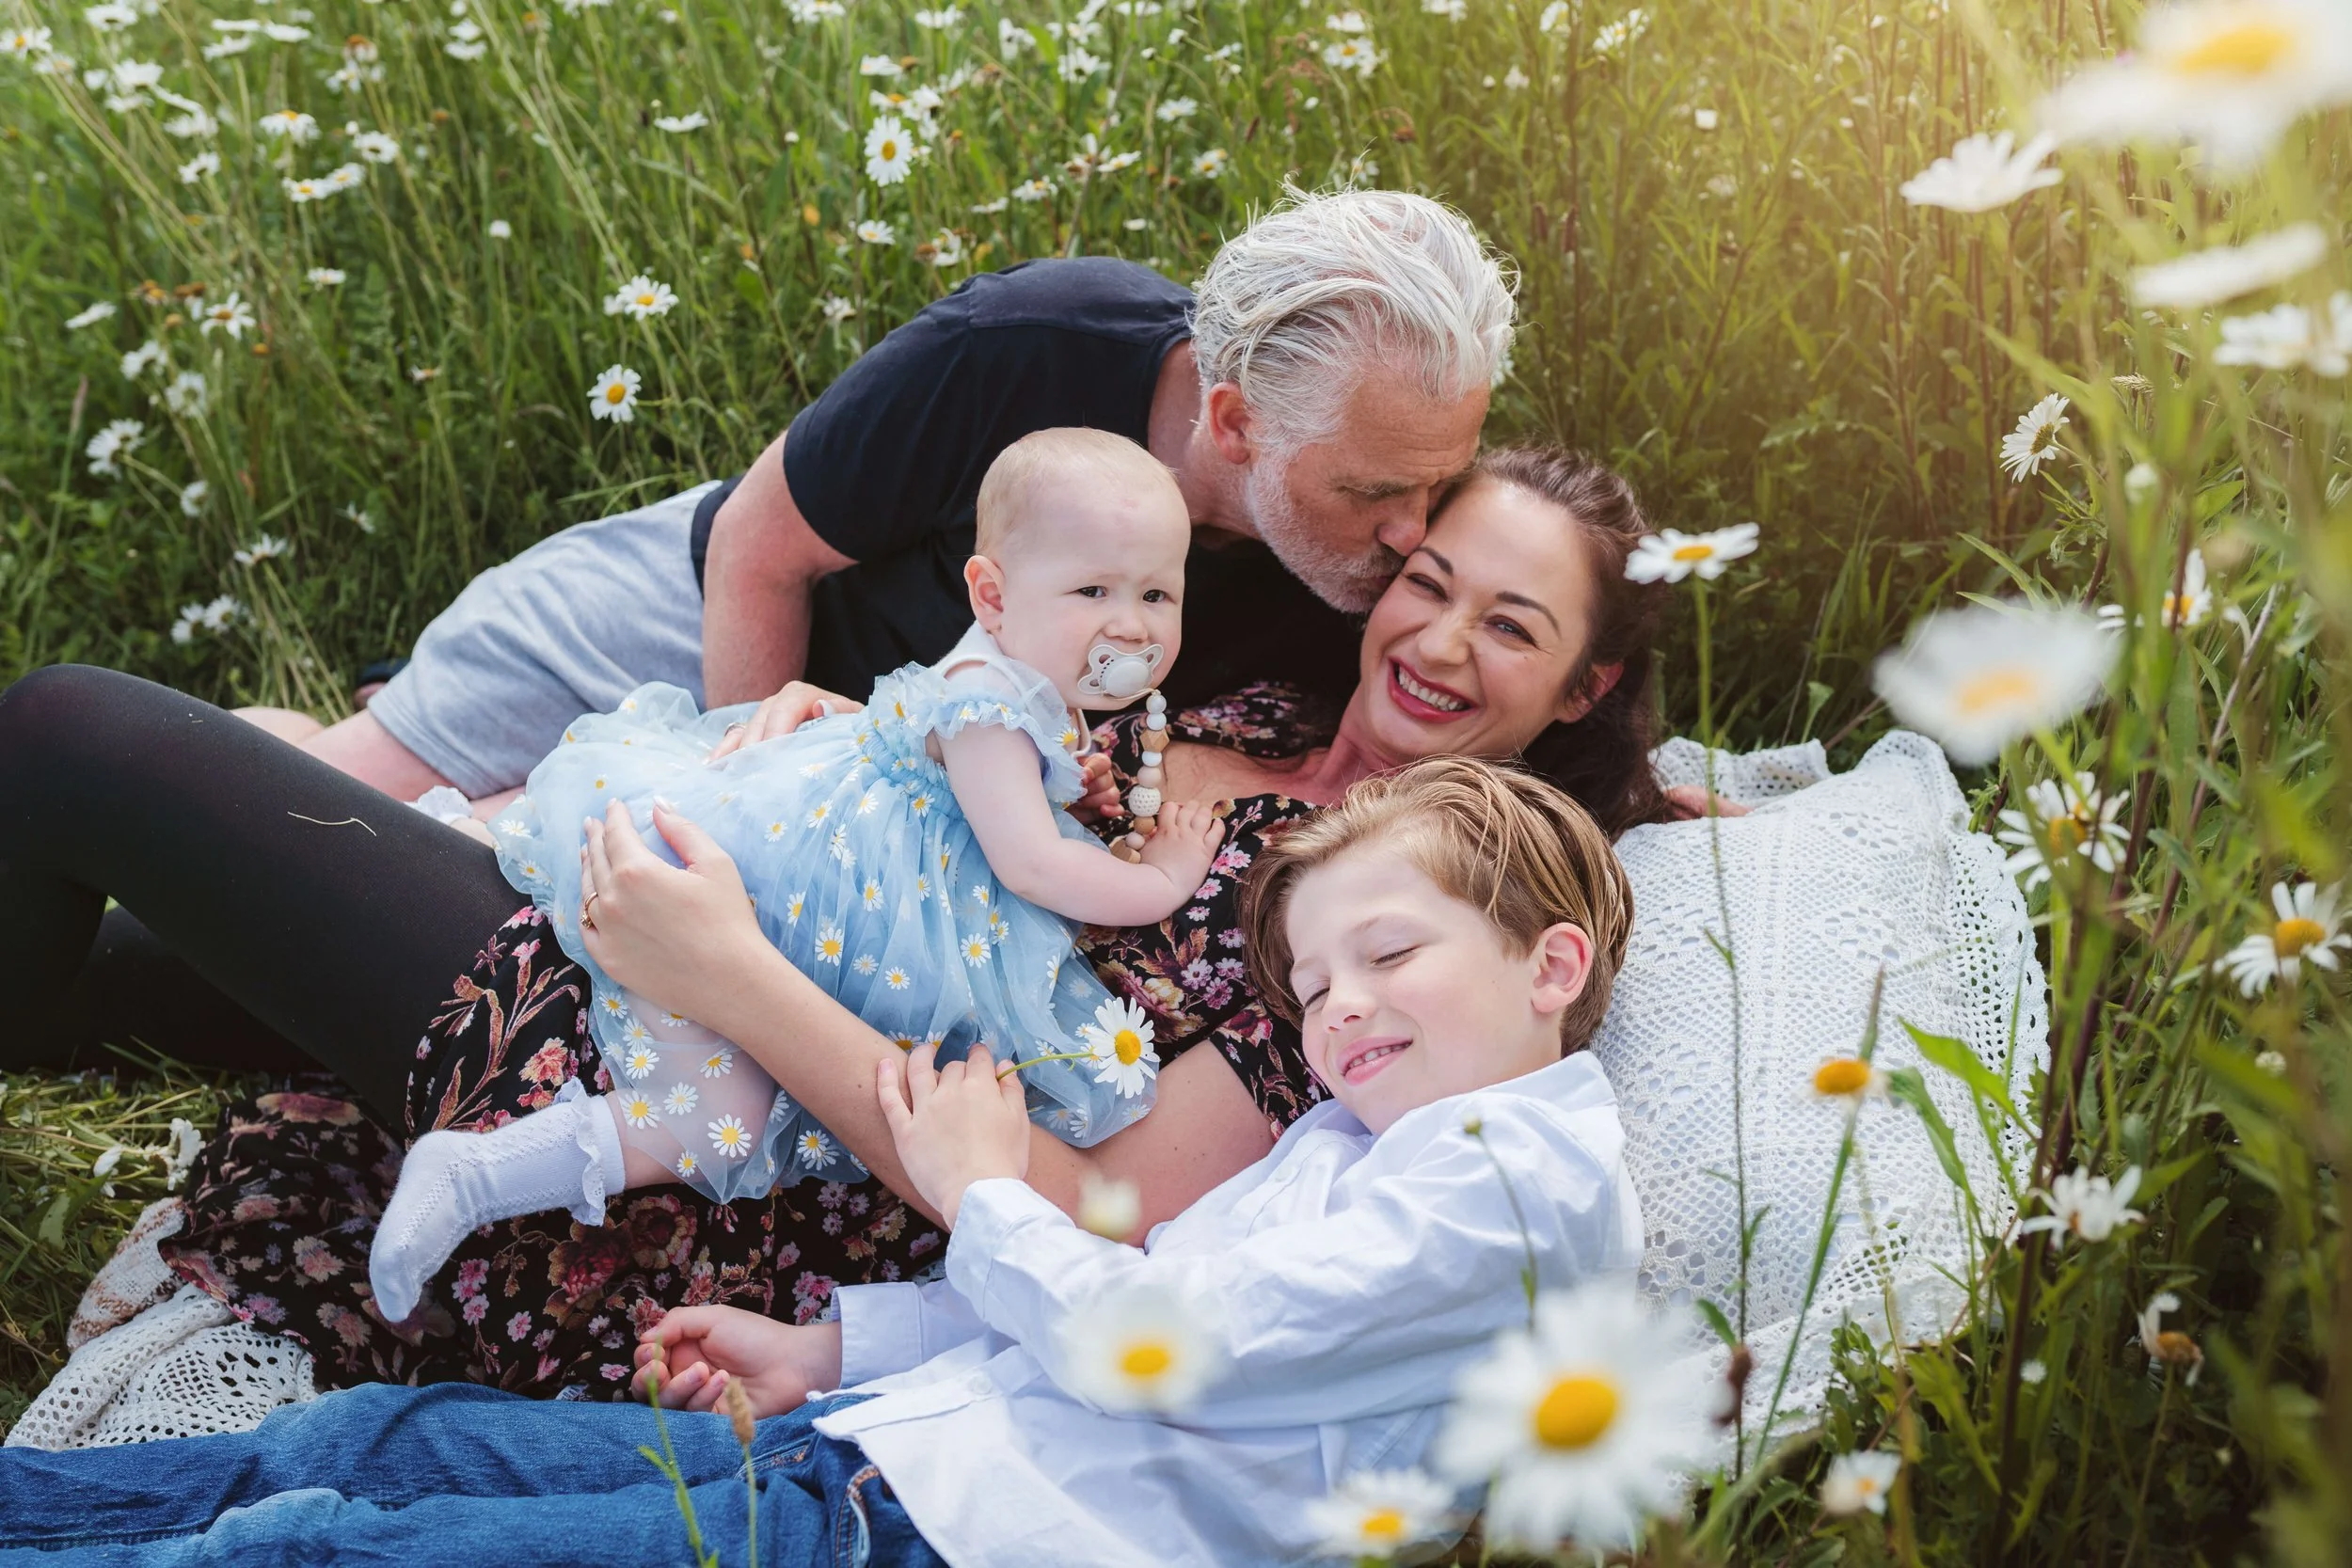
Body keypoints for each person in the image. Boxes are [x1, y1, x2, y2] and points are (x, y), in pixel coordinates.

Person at [0, 443, 1668, 1396]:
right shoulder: (1242, 682)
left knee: (73, 730)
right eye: (1433, 579)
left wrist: (722, 968)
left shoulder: (1390, 942)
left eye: (1508, 627)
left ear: (1581, 687)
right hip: (716, 908)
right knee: (116, 980)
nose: (1436, 640)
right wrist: (849, 731)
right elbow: (996, 716)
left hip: (691, 1089)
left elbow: (1089, 1203)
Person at [0, 757, 1650, 1568]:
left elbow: (1169, 1350)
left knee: (324, 1550)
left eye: (1385, 956)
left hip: (923, 1540)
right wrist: (838, 1344)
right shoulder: (1360, 1147)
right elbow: (1149, 1290)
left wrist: (984, 1188)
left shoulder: (1515, 1185)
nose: (1341, 1011)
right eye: (1318, 984)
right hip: (872, 1457)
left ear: (1551, 965)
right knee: (366, 1439)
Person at [276, 189, 1512, 816]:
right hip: (693, 623)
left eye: (1440, 481)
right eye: (1376, 494)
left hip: (887, 761)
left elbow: (1524, 663)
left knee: (467, 867)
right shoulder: (1031, 347)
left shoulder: (1379, 540)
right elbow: (761, 553)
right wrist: (731, 806)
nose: (1414, 536)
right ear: (1233, 424)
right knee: (323, 821)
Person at [365, 430, 1229, 1322]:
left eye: (1157, 593)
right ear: (993, 594)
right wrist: (1160, 881)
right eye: (1095, 590)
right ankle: (471, 1168)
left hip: (835, 890)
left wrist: (1059, 783)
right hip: (816, 894)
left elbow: (1003, 796)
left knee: (723, 1110)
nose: (1132, 624)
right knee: (717, 1109)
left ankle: (472, 1159)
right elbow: (1031, 863)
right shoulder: (992, 707)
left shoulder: (1022, 683)